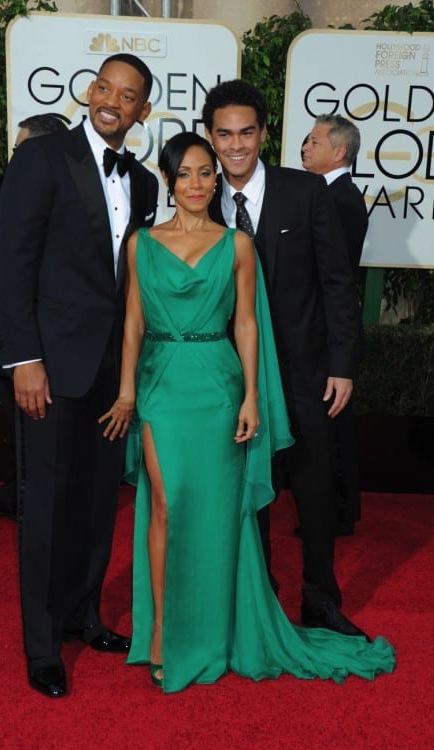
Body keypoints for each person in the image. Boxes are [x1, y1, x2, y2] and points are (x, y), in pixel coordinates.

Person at [102, 131, 395, 693]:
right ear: (168, 180)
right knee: (163, 505)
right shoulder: (141, 243)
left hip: (218, 385)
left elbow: (246, 323)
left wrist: (252, 396)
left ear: (217, 179)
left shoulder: (237, 244)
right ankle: (163, 629)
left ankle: (217, 629)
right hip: (162, 383)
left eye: (205, 173)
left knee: (217, 513)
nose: (196, 183)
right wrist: (125, 394)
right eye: (184, 174)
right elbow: (133, 323)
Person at [0, 54, 158, 698]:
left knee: (96, 504)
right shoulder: (42, 158)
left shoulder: (143, 183)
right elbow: (12, 260)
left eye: (128, 95)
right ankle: (41, 648)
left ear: (142, 111)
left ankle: (82, 615)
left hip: (111, 373)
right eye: (104, 87)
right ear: (90, 91)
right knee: (45, 508)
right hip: (50, 369)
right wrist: (23, 358)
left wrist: (131, 373)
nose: (111, 100)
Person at [203, 80, 366, 639]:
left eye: (247, 132)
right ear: (210, 137)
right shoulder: (200, 200)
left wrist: (342, 364)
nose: (236, 145)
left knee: (315, 489)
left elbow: (338, 283)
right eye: (224, 134)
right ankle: (259, 595)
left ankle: (320, 599)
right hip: (234, 376)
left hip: (307, 373)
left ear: (264, 134)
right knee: (247, 489)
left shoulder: (306, 191)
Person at [0, 114, 69, 521]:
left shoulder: (44, 193)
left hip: (25, 340)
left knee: (26, 428)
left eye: (20, 148)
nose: (13, 156)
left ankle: (26, 499)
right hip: (32, 339)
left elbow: (9, 268)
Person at [301, 113, 369, 536]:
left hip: (328, 331)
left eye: (314, 141)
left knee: (333, 421)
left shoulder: (340, 198)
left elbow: (335, 275)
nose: (305, 147)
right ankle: (337, 508)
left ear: (339, 151)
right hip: (321, 328)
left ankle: (338, 510)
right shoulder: (328, 193)